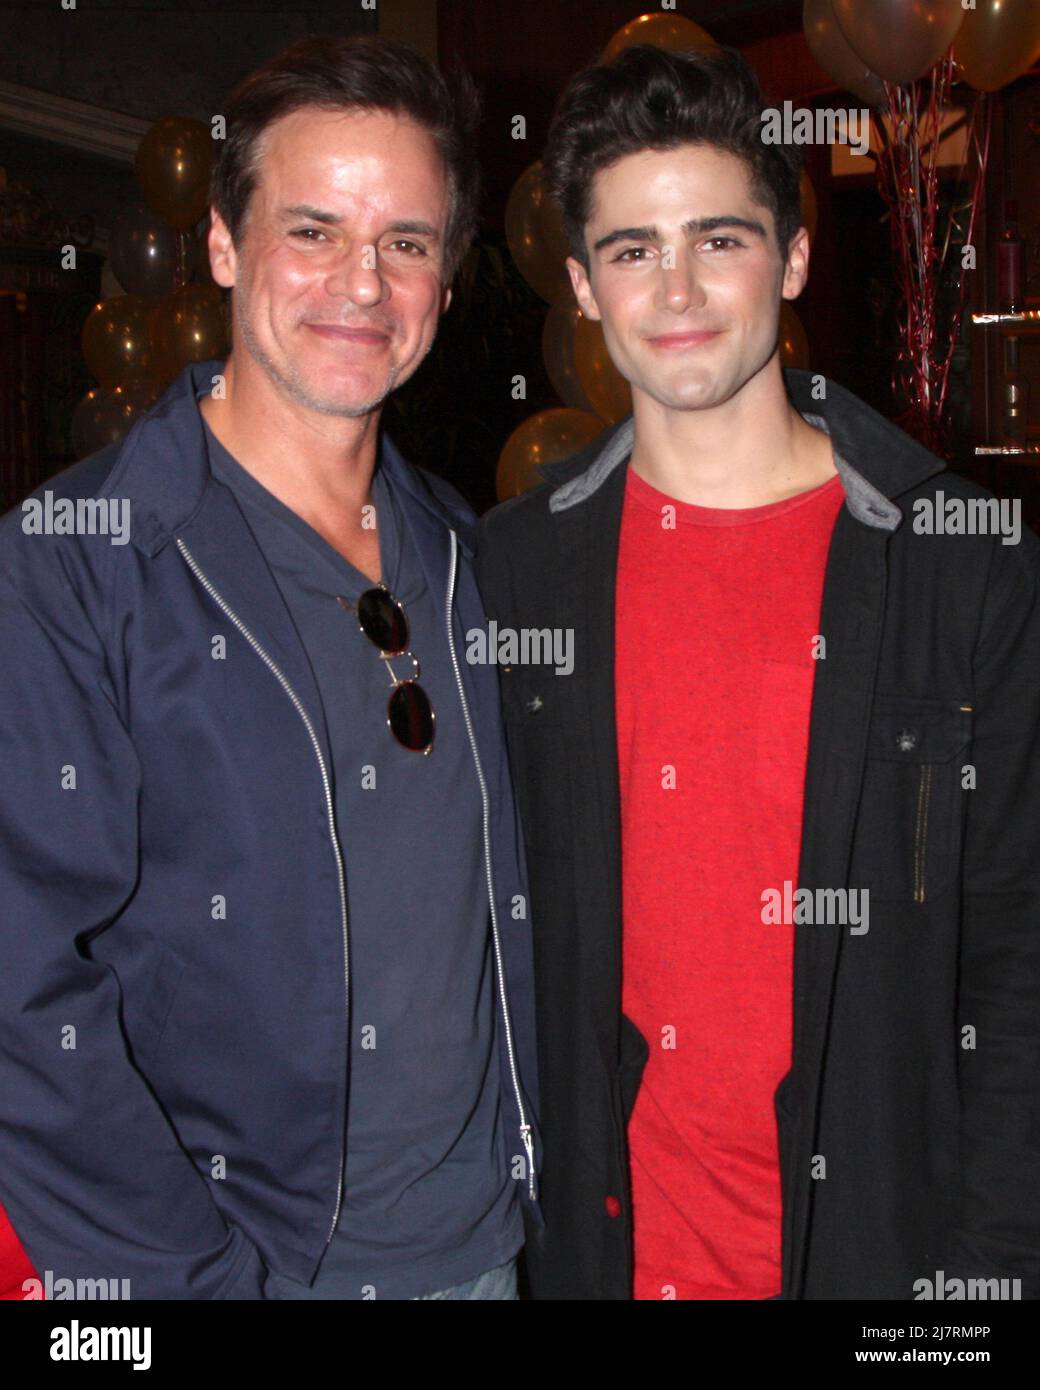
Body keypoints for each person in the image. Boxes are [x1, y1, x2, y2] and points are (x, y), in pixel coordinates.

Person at [474, 44, 1040, 1300]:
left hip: (882, 1259)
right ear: (580, 283)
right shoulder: (506, 577)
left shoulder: (962, 568)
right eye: (630, 250)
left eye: (716, 239)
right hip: (597, 1256)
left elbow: (1015, 960)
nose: (674, 288)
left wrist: (988, 1277)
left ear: (787, 257)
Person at [0, 34, 540, 1301]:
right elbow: (23, 991)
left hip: (482, 1257)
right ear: (225, 249)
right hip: (239, 1272)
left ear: (446, 283)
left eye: (406, 241)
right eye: (313, 229)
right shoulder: (80, 564)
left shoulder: (469, 556)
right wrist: (186, 1281)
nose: (363, 281)